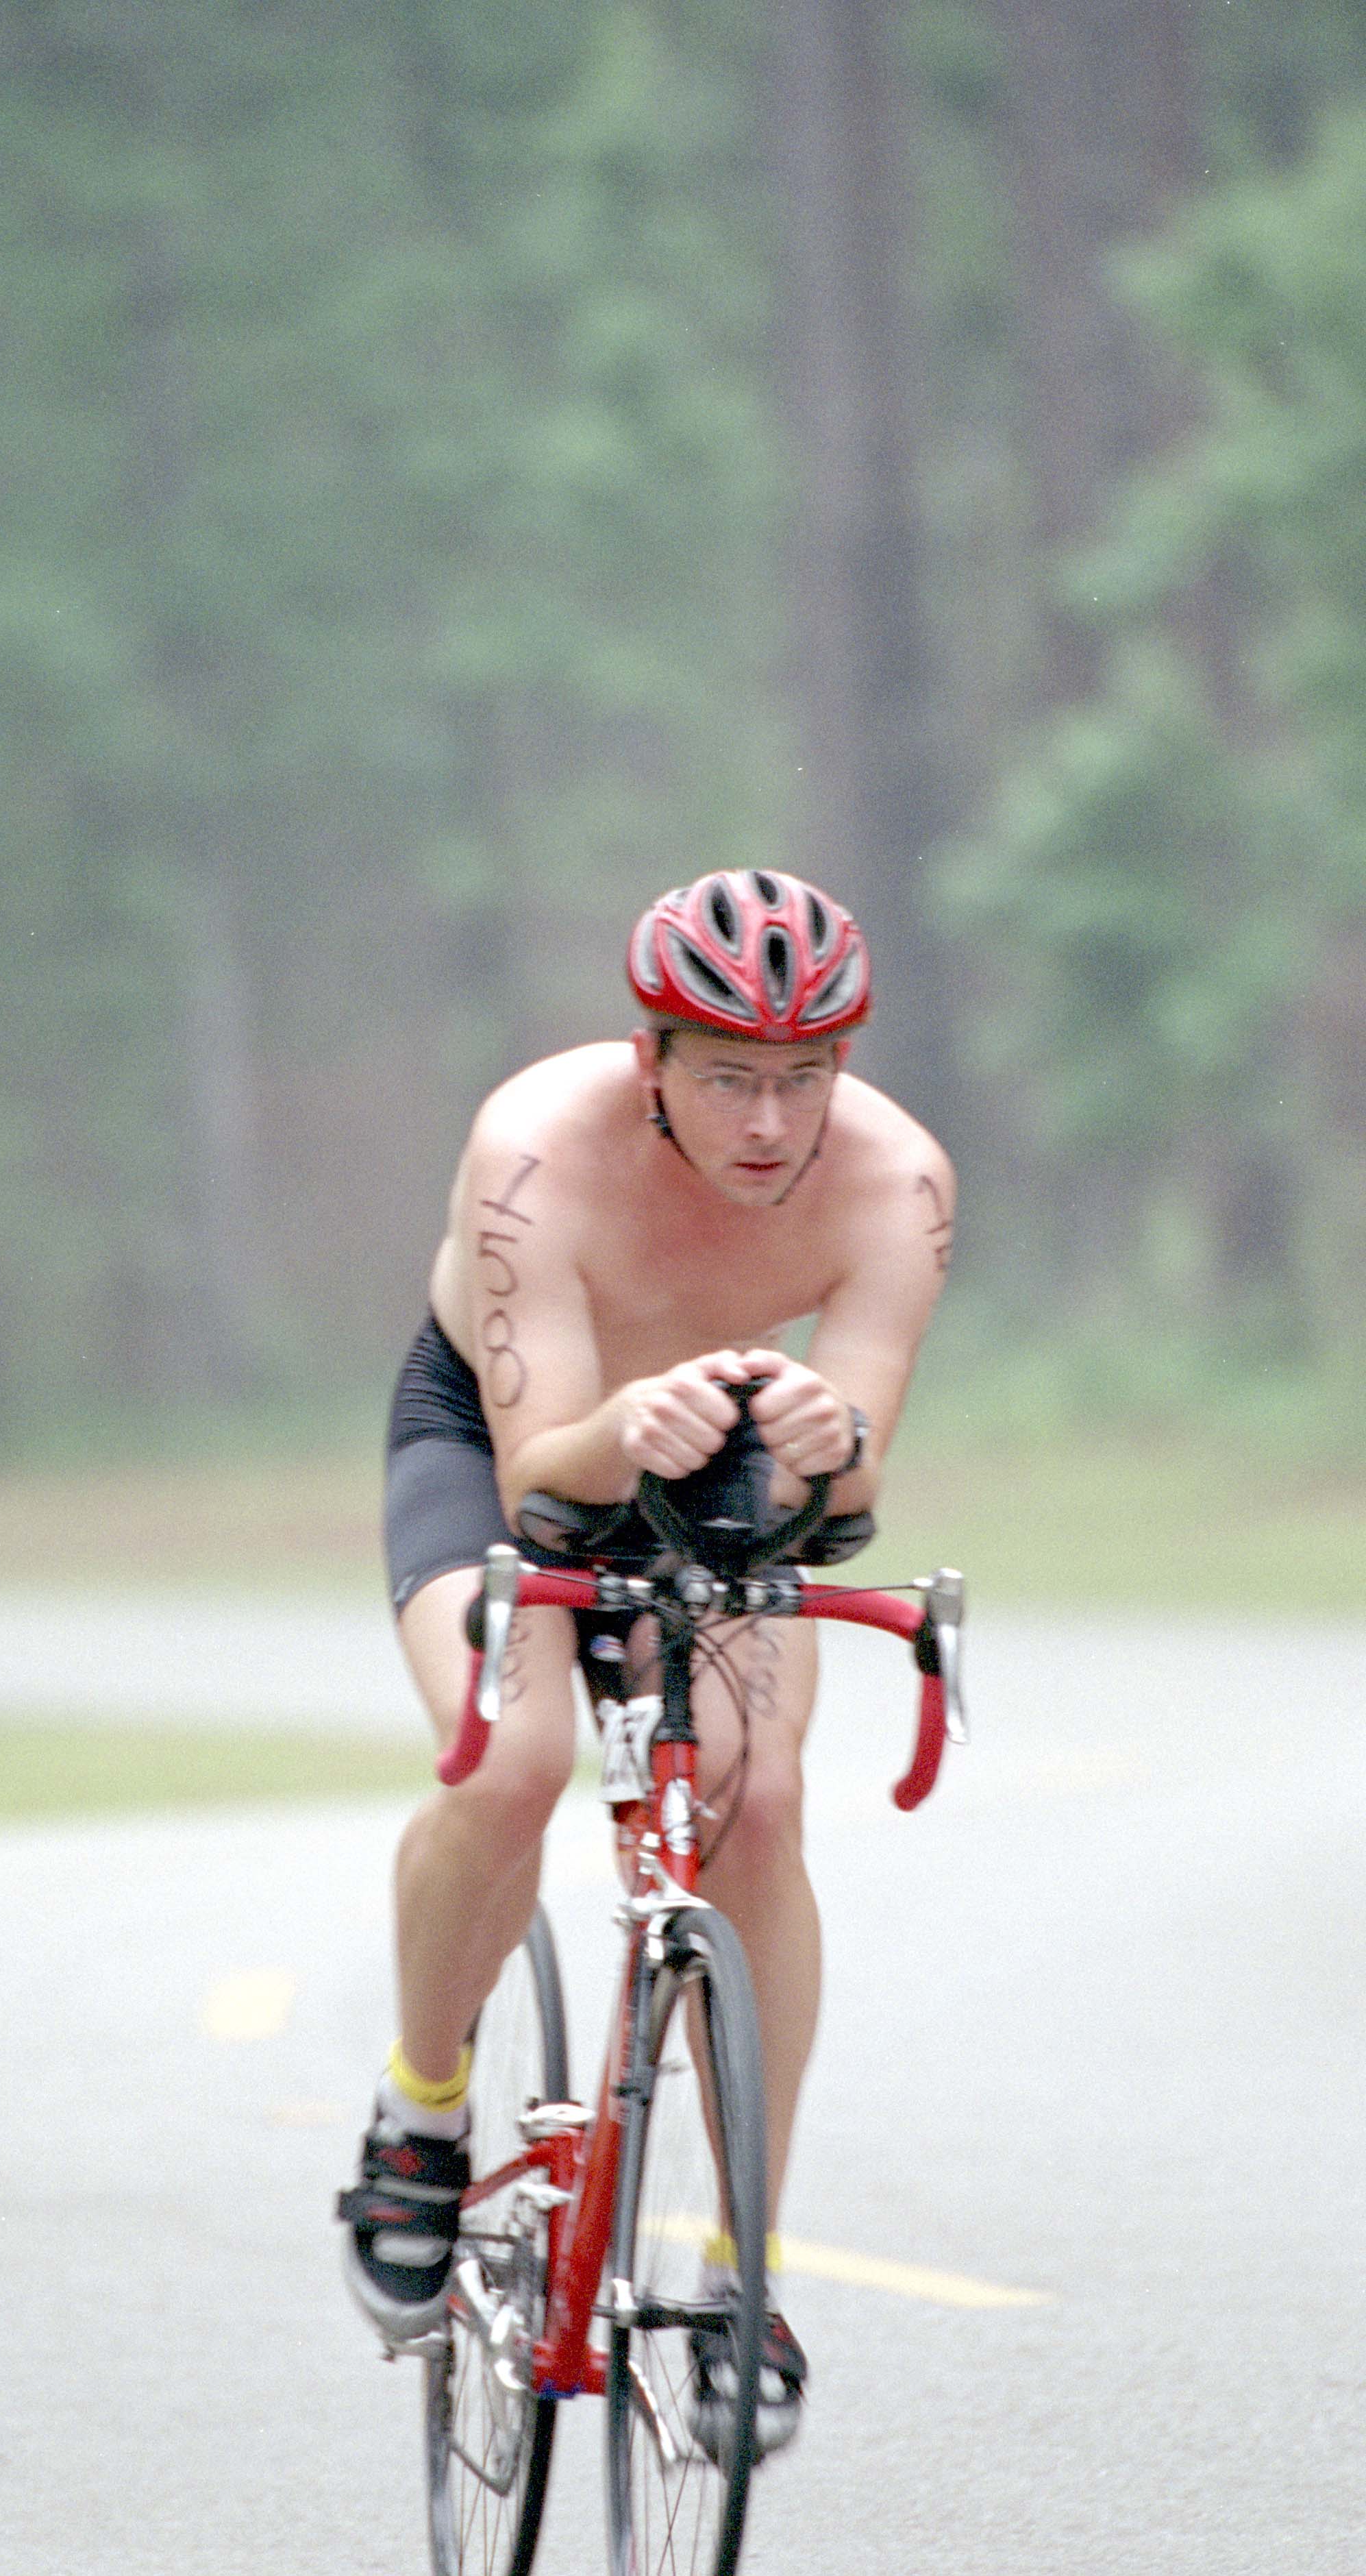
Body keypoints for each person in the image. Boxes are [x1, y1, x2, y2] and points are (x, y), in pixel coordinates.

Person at [337, 869, 954, 2455]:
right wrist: (630, 1421)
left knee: (753, 1792)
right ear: (649, 1059)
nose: (769, 1120)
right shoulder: (534, 1147)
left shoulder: (898, 1181)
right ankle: (420, 2108)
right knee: (518, 1755)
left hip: (717, 1460)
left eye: (802, 1077)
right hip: (502, 1438)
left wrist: (832, 1446)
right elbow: (544, 1457)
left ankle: (744, 2269)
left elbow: (855, 1473)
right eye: (729, 1076)